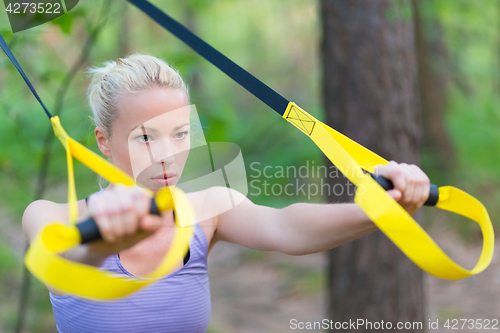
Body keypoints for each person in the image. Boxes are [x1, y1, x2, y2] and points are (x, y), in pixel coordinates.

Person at [22, 54, 431, 333]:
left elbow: (286, 226)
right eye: (145, 137)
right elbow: (60, 259)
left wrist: (379, 208)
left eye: (180, 134)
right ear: (104, 142)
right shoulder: (49, 214)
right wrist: (101, 242)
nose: (167, 156)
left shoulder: (208, 207)